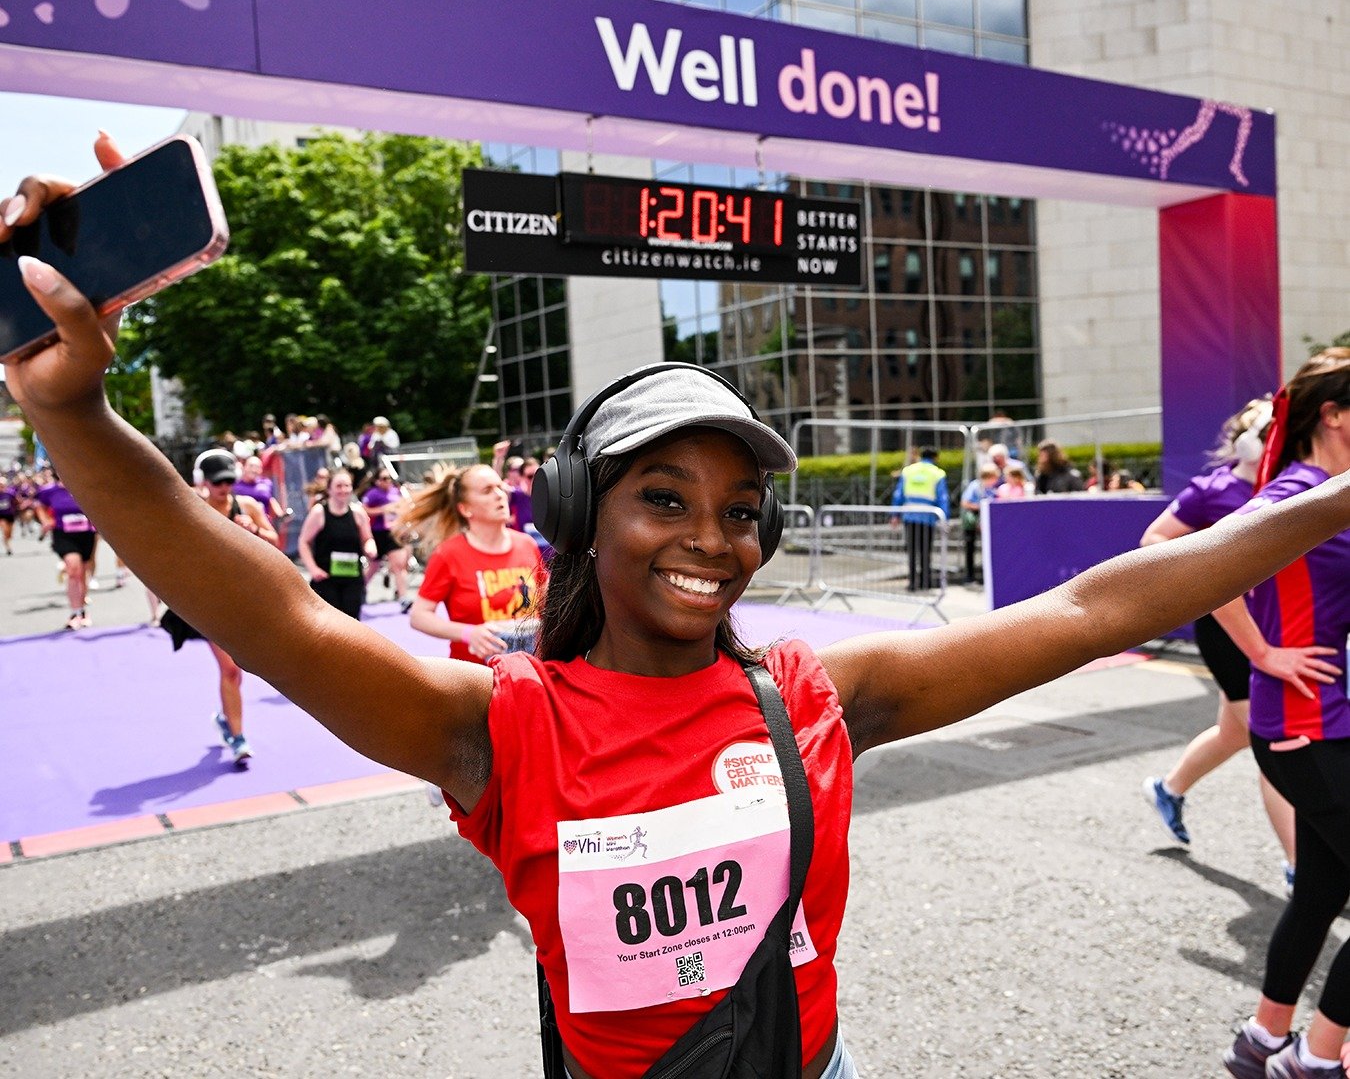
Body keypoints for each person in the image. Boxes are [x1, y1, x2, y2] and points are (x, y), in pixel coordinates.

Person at [12, 141, 1350, 1079]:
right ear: (587, 512)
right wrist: (73, 408)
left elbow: (1093, 607)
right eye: (665, 497)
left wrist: (1330, 499)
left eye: (737, 508)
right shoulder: (499, 725)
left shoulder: (824, 693)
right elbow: (276, 621)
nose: (713, 536)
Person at [1218, 350, 1350, 1079]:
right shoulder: (1296, 494)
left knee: (1326, 888)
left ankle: (1264, 1041)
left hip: (1328, 721)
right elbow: (1203, 571)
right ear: (1332, 415)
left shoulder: (1329, 490)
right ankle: (1316, 1057)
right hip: (1305, 727)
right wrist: (1265, 653)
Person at [1140, 400, 1315, 892]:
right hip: (1227, 628)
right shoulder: (1213, 489)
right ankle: (1301, 867)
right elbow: (1153, 541)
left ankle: (1168, 789)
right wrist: (1211, 568)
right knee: (1274, 745)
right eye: (1266, 429)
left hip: (1280, 626)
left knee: (1234, 733)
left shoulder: (1295, 484)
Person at [160, 449, 277, 765]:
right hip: (211, 600)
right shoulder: (194, 508)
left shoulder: (247, 506)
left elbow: (274, 539)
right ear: (203, 483)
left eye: (228, 481)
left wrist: (253, 530)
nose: (224, 488)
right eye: (217, 483)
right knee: (230, 668)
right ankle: (238, 738)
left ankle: (227, 720)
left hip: (245, 596)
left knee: (242, 671)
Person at [402, 463, 546, 662]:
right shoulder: (448, 554)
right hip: (476, 677)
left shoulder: (526, 544)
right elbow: (419, 616)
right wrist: (468, 633)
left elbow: (546, 600)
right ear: (465, 509)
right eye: (487, 490)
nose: (499, 495)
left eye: (499, 487)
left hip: (529, 671)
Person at [298, 468, 375, 621]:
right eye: (339, 486)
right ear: (329, 489)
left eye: (347, 486)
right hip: (326, 579)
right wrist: (313, 569)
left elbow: (368, 538)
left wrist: (370, 547)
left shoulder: (358, 513)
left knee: (352, 623)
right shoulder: (319, 512)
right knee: (329, 624)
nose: (343, 490)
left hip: (352, 578)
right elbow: (303, 541)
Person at [33, 469, 96, 629]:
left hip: (86, 534)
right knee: (73, 570)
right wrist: (46, 521)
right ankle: (75, 613)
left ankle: (82, 611)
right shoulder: (50, 491)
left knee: (83, 573)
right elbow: (38, 505)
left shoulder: (85, 488)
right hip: (64, 535)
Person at [890, 445, 948, 591]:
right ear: (935, 457)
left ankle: (912, 582)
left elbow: (898, 494)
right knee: (925, 551)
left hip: (910, 516)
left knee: (911, 551)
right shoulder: (938, 473)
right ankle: (925, 581)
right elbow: (943, 498)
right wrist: (944, 518)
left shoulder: (908, 471)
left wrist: (895, 514)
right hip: (928, 517)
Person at [362, 468, 412, 611]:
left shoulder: (396, 492)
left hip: (393, 533)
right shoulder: (372, 494)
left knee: (399, 565)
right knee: (374, 565)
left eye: (389, 478)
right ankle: (360, 589)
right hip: (377, 533)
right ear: (377, 481)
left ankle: (403, 597)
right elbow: (363, 510)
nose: (387, 481)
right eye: (384, 478)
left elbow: (403, 508)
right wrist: (382, 510)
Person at [958, 464, 999, 584]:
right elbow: (965, 502)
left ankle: (986, 576)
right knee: (970, 549)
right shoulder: (975, 486)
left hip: (987, 521)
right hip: (973, 520)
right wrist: (981, 507)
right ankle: (969, 576)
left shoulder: (993, 488)